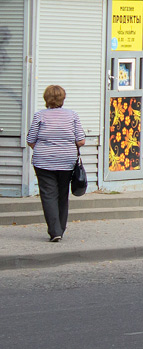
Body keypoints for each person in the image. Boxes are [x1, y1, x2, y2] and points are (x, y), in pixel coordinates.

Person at [26, 85, 85, 242]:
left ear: (46, 98)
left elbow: (31, 140)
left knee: (48, 194)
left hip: (43, 161)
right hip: (66, 161)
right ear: (63, 98)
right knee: (62, 194)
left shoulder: (40, 115)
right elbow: (81, 141)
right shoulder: (72, 115)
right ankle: (61, 228)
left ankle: (55, 231)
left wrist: (45, 147)